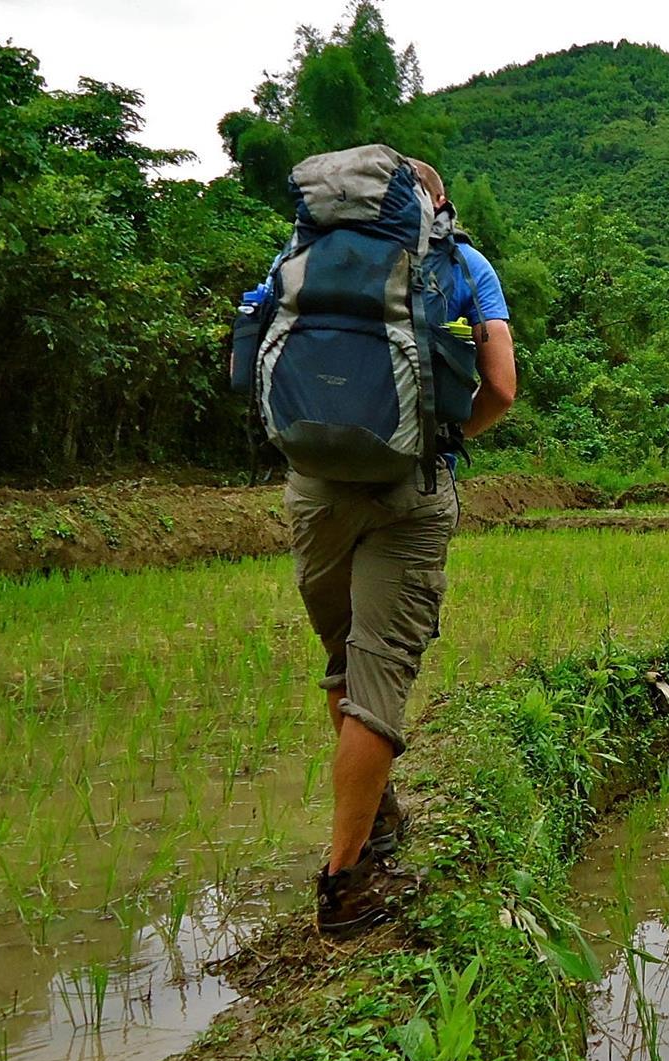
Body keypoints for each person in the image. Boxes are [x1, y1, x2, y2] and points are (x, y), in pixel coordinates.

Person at [267, 158, 516, 937]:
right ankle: (346, 887)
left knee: (343, 663)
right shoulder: (464, 264)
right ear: (434, 202)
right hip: (409, 491)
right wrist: (442, 439)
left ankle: (376, 818)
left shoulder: (299, 253)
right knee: (378, 680)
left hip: (313, 486)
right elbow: (502, 387)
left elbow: (260, 352)